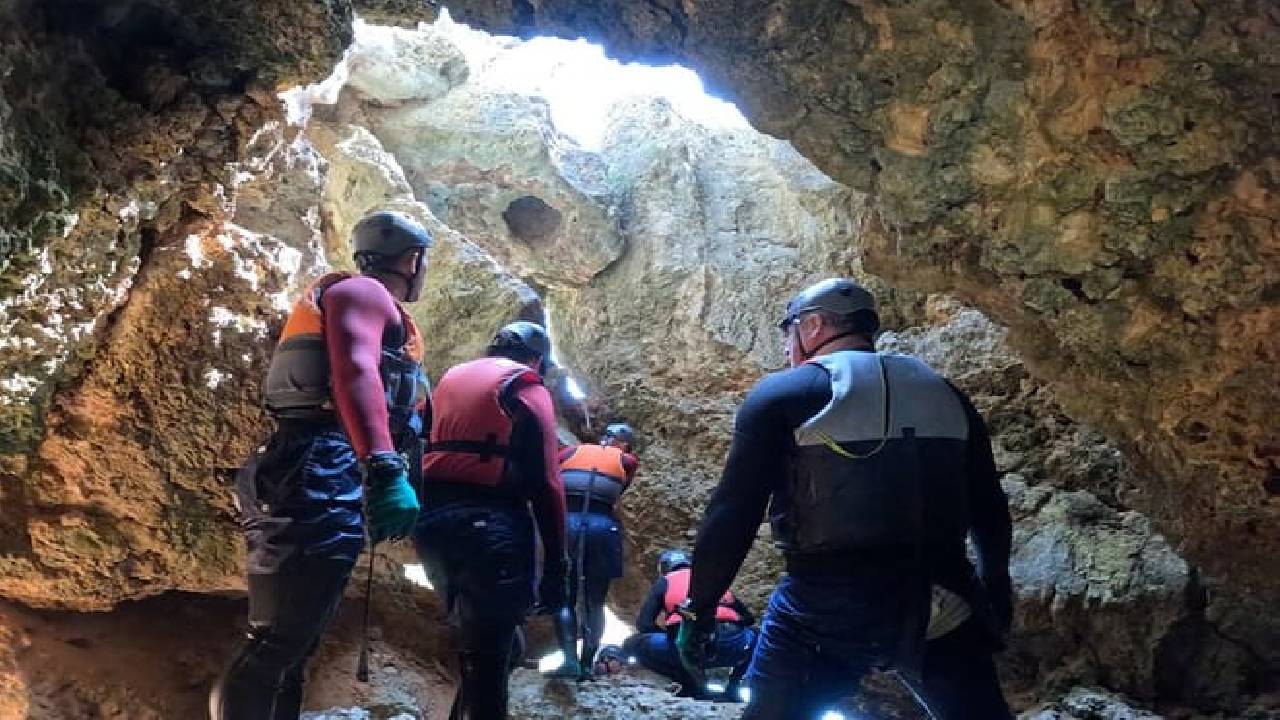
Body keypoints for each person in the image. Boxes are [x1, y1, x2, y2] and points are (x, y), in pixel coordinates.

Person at [676, 278, 1014, 720]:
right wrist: (994, 597)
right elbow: (989, 508)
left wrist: (700, 608)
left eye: (789, 329)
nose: (786, 344)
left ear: (813, 325)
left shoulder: (783, 395)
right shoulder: (947, 394)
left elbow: (732, 514)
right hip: (941, 599)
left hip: (823, 607)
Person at [211, 210, 433, 720]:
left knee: (294, 644)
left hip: (312, 465)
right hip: (316, 463)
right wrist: (384, 467)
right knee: (276, 643)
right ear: (412, 259)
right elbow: (354, 370)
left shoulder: (362, 299)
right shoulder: (365, 294)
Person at [413, 321, 569, 720]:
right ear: (537, 358)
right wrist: (556, 566)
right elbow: (549, 484)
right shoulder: (526, 387)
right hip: (490, 524)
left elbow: (414, 433)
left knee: (482, 644)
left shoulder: (450, 380)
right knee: (491, 655)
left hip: (432, 523)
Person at [546, 422, 639, 679]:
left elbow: (553, 475)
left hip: (569, 524)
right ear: (626, 444)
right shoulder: (628, 460)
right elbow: (621, 485)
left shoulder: (571, 452)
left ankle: (569, 661)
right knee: (595, 601)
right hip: (602, 526)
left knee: (565, 597)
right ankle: (587, 665)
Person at [623, 549, 756, 701]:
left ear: (664, 569)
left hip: (685, 650)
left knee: (633, 644)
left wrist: (669, 635)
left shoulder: (665, 581)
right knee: (758, 637)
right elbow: (748, 618)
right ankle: (733, 689)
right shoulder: (712, 580)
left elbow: (644, 624)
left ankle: (690, 685)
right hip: (734, 647)